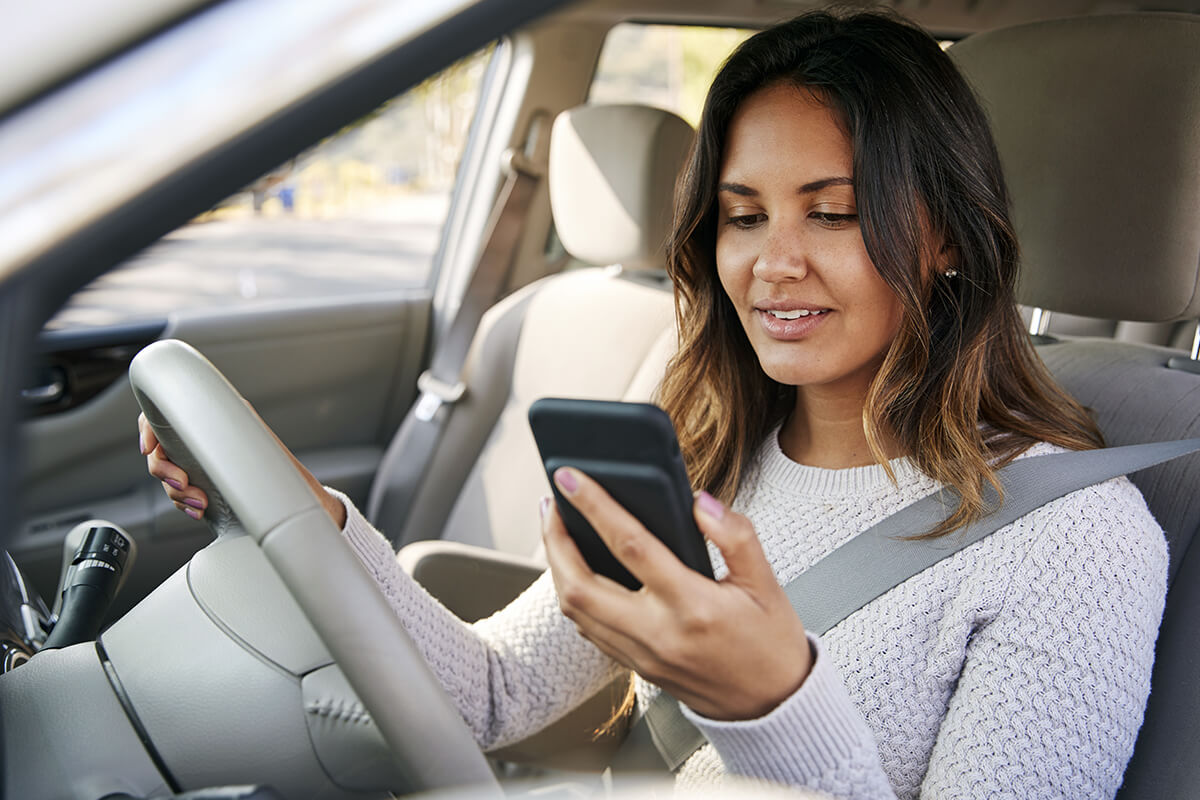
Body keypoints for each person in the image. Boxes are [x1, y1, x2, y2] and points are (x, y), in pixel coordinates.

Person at [139, 9, 1167, 798]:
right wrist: (311, 515)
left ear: (945, 238)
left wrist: (773, 705)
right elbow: (492, 693)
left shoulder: (1074, 538)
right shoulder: (708, 456)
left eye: (835, 213)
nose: (772, 263)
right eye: (743, 215)